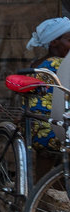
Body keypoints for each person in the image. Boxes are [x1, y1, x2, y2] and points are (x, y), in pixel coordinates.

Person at [23, 18, 70, 147]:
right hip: (56, 129)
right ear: (54, 42)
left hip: (34, 128)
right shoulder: (57, 64)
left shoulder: (37, 64)